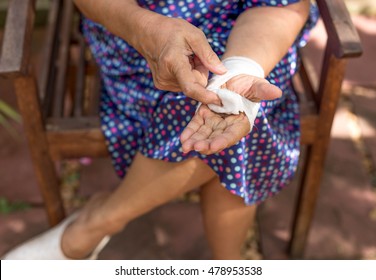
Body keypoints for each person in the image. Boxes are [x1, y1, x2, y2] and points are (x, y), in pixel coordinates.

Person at [3, 0, 318, 260]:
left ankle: (99, 220)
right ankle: (230, 261)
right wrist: (144, 28)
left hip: (255, 41)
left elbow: (282, 5)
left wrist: (240, 67)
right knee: (231, 110)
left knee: (232, 101)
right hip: (136, 39)